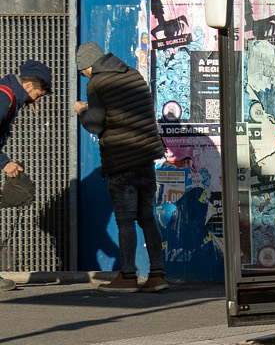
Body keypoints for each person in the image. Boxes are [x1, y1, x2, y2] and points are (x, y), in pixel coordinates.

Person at [73, 42, 169, 293]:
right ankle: (157, 276)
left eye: (82, 69)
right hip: (146, 157)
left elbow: (95, 125)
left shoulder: (96, 84)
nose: (83, 74)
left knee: (125, 220)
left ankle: (128, 276)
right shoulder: (133, 74)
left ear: (89, 66)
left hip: (122, 160)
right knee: (147, 218)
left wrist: (82, 110)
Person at [0, 60, 52, 291]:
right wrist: (4, 163)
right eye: (38, 94)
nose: (38, 100)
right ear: (29, 85)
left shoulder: (8, 95)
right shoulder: (6, 97)